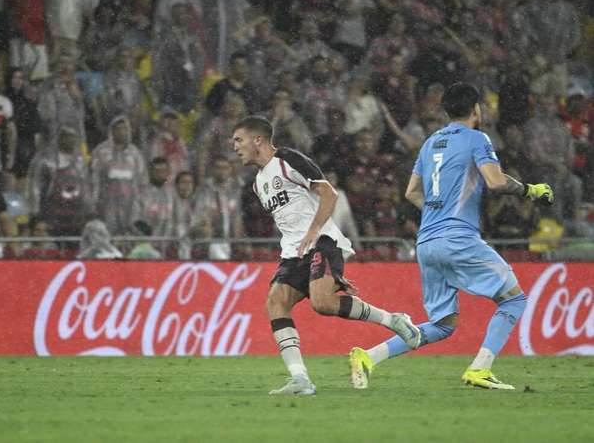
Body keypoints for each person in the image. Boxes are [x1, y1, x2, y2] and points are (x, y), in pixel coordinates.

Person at [350, 83, 554, 391]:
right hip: (457, 237)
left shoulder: (430, 142)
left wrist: (437, 209)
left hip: (426, 243)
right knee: (514, 300)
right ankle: (480, 369)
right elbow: (495, 181)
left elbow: (411, 193)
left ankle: (368, 356)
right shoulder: (477, 138)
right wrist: (530, 190)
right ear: (475, 110)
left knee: (443, 325)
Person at [231, 116, 421, 396]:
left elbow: (329, 194)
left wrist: (314, 230)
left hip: (322, 241)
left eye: (238, 139)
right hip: (293, 251)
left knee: (321, 303)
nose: (235, 146)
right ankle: (300, 379)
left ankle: (392, 320)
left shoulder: (288, 160)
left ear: (257, 139)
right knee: (275, 303)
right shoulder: (259, 183)